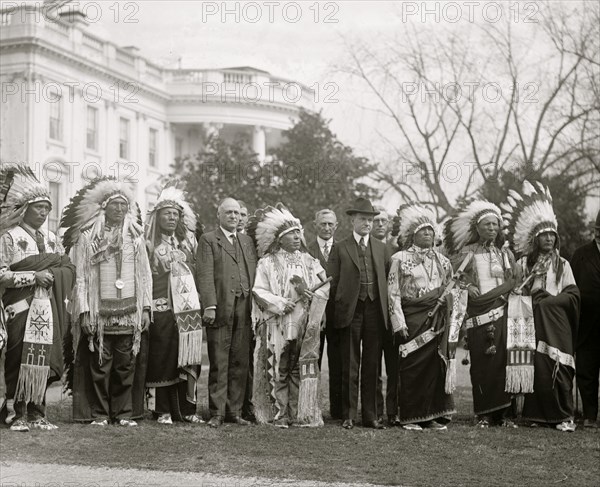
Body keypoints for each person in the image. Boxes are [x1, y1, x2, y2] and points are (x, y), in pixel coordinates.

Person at [63, 178, 152, 427]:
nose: (120, 209)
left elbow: (145, 275)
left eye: (124, 205)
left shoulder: (135, 237)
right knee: (100, 366)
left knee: (125, 365)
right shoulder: (89, 237)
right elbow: (81, 277)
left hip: (129, 312)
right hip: (99, 314)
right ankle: (100, 414)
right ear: (104, 207)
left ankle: (123, 413)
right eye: (115, 205)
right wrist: (85, 312)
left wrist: (145, 309)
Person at [0, 163, 75, 432]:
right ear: (24, 209)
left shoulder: (53, 239)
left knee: (43, 356)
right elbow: (1, 275)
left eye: (47, 208)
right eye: (38, 207)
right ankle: (15, 413)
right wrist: (34, 276)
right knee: (18, 356)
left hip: (48, 306)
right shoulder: (8, 238)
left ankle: (38, 412)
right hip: (19, 306)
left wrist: (55, 275)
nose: (43, 213)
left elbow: (66, 269)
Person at [505, 182, 580, 432]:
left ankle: (563, 415)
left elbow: (572, 294)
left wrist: (548, 300)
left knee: (560, 366)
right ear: (535, 238)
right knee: (536, 366)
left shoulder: (563, 265)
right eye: (544, 235)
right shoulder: (524, 264)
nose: (549, 238)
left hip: (557, 323)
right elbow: (516, 290)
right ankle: (537, 415)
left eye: (552, 235)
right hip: (532, 322)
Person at [249, 204, 330, 428]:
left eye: (298, 233)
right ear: (280, 238)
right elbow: (258, 290)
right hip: (278, 324)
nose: (297, 237)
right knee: (278, 368)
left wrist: (311, 292)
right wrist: (280, 303)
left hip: (304, 323)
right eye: (291, 234)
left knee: (299, 368)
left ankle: (299, 412)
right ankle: (280, 413)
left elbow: (324, 286)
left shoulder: (309, 261)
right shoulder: (267, 263)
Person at [388, 203, 464, 431]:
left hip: (437, 320)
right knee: (413, 367)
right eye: (423, 230)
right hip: (413, 319)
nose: (428, 234)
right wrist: (398, 323)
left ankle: (431, 415)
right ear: (412, 235)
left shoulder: (443, 261)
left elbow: (453, 289)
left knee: (434, 367)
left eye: (431, 230)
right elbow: (393, 293)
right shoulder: (399, 258)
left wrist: (449, 304)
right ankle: (412, 416)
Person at [444, 200, 517, 428]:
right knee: (482, 364)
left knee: (502, 363)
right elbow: (455, 278)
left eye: (495, 225)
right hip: (479, 314)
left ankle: (502, 415)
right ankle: (484, 414)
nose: (492, 229)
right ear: (477, 228)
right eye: (487, 225)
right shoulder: (466, 253)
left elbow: (512, 280)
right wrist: (467, 287)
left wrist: (508, 292)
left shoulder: (504, 254)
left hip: (501, 313)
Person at [328, 197, 389, 430]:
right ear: (352, 220)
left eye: (370, 220)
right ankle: (349, 414)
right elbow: (332, 284)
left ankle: (371, 415)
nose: (367, 223)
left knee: (373, 364)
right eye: (363, 219)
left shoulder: (382, 248)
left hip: (375, 310)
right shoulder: (340, 247)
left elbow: (385, 281)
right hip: (350, 312)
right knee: (349, 364)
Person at [145, 186, 203, 424]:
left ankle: (187, 411)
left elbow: (198, 272)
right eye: (166, 213)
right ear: (157, 217)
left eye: (175, 214)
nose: (171, 217)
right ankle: (162, 410)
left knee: (188, 359)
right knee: (163, 359)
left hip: (188, 311)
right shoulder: (148, 244)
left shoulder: (187, 243)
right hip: (162, 309)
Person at [197, 198, 256, 428]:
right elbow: (204, 274)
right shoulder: (209, 240)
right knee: (220, 361)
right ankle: (217, 412)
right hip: (221, 308)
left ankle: (234, 411)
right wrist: (209, 305)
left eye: (236, 213)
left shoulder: (246, 241)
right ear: (219, 215)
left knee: (240, 361)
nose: (234, 216)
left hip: (245, 308)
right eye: (228, 212)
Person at [307, 208, 342, 419]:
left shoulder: (344, 249)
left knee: (338, 362)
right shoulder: (306, 251)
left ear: (336, 226)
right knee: (312, 360)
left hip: (338, 315)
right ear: (315, 226)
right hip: (313, 315)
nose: (327, 228)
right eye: (323, 224)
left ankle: (338, 411)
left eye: (330, 224)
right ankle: (310, 408)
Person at [570, 209, 600, 429]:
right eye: (598, 229)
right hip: (586, 325)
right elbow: (571, 289)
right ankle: (589, 416)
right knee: (586, 372)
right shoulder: (580, 254)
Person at [370, 206, 399, 425]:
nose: (380, 224)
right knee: (373, 367)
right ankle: (376, 410)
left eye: (384, 221)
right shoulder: (365, 248)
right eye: (376, 220)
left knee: (395, 366)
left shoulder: (396, 249)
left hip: (395, 315)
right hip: (374, 315)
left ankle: (393, 411)